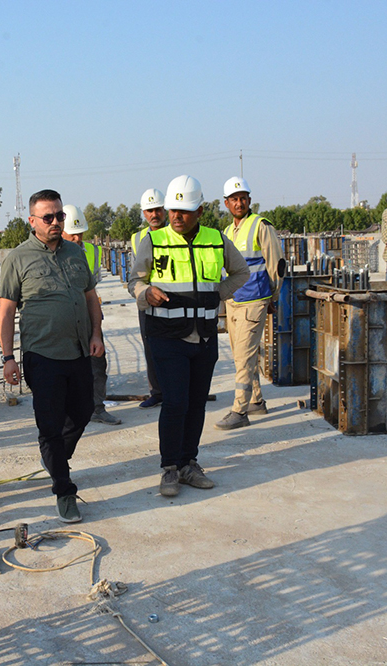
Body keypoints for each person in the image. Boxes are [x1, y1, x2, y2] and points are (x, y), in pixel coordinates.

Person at [129, 175, 249, 497]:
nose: (176, 217)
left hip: (205, 337)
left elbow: (241, 272)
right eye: (173, 211)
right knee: (176, 402)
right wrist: (146, 292)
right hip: (167, 337)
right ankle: (169, 467)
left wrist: (218, 294)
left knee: (196, 404)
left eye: (184, 211)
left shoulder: (216, 239)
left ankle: (188, 463)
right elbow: (134, 281)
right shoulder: (153, 241)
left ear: (200, 211)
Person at [0, 189, 103, 523]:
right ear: (33, 221)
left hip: (78, 350)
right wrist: (7, 357)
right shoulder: (18, 258)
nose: (57, 222)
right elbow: (6, 312)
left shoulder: (76, 253)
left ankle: (54, 456)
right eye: (49, 217)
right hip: (42, 355)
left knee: (84, 410)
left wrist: (97, 334)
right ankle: (64, 489)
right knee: (50, 425)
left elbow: (90, 298)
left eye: (59, 215)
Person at [215, 177, 285, 430]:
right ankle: (256, 400)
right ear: (226, 203)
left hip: (255, 301)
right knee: (241, 356)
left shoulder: (260, 226)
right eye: (234, 199)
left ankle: (239, 410)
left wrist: (272, 297)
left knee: (244, 357)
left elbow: (276, 264)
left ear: (250, 200)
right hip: (235, 302)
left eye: (243, 197)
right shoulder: (227, 231)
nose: (239, 202)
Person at [61, 204, 121, 426]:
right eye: (72, 234)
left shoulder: (93, 252)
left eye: (80, 233)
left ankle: (97, 407)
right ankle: (68, 413)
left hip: (88, 316)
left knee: (97, 364)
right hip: (64, 320)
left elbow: (93, 289)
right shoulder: (53, 254)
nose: (77, 238)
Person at [132, 188, 167, 409]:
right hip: (147, 300)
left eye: (157, 209)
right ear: (143, 213)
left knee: (174, 347)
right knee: (150, 346)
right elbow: (136, 275)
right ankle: (157, 392)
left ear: (164, 210)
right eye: (149, 211)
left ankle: (176, 390)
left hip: (171, 299)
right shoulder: (137, 238)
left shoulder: (174, 233)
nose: (154, 214)